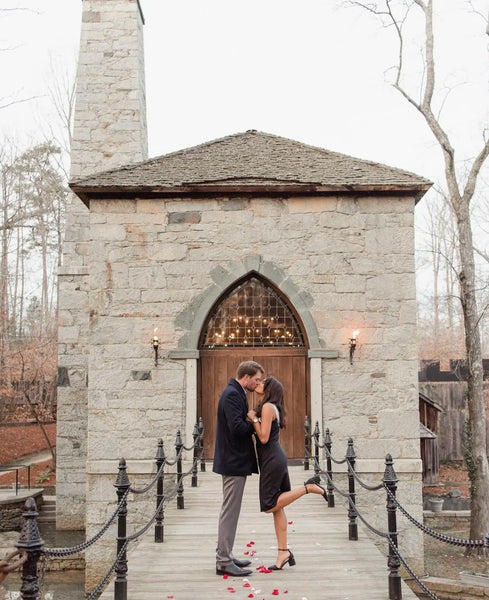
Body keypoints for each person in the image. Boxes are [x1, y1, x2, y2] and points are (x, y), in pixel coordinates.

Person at [247, 376, 327, 570]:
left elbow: (264, 438)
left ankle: (308, 488)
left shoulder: (267, 408)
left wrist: (253, 419)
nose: (258, 383)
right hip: (274, 457)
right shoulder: (272, 407)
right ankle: (283, 552)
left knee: (269, 505)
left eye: (263, 382)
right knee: (277, 507)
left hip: (272, 458)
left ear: (270, 389)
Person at [213, 360, 265, 577]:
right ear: (246, 377)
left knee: (230, 510)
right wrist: (254, 422)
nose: (258, 383)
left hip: (234, 461)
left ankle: (226, 553)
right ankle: (223, 561)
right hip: (233, 462)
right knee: (230, 512)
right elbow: (236, 428)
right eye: (257, 379)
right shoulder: (233, 394)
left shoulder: (237, 392)